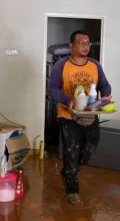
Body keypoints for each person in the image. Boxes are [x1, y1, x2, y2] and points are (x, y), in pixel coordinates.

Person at [48, 30, 112, 205]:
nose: (86, 46)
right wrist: (68, 100)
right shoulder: (61, 65)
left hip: (90, 114)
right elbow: (53, 89)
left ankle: (70, 170)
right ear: (71, 46)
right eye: (82, 43)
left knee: (90, 147)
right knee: (71, 151)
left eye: (88, 43)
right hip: (69, 117)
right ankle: (72, 189)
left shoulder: (95, 65)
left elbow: (104, 85)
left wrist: (106, 96)